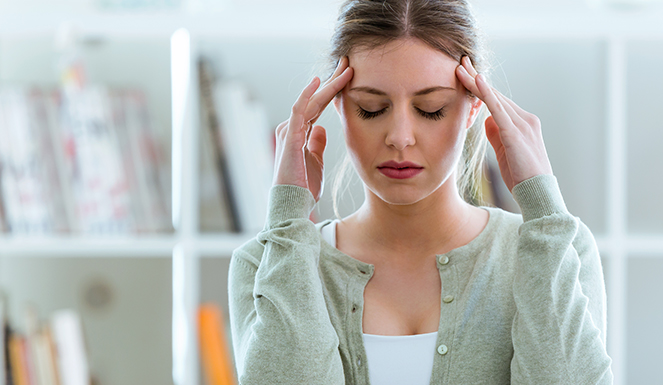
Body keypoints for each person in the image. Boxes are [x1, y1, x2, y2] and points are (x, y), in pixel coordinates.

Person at [227, 0, 613, 383]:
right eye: (371, 108)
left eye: (430, 109)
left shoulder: (561, 248)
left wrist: (543, 209)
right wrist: (288, 216)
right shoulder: (266, 263)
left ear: (473, 107)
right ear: (338, 105)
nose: (400, 138)